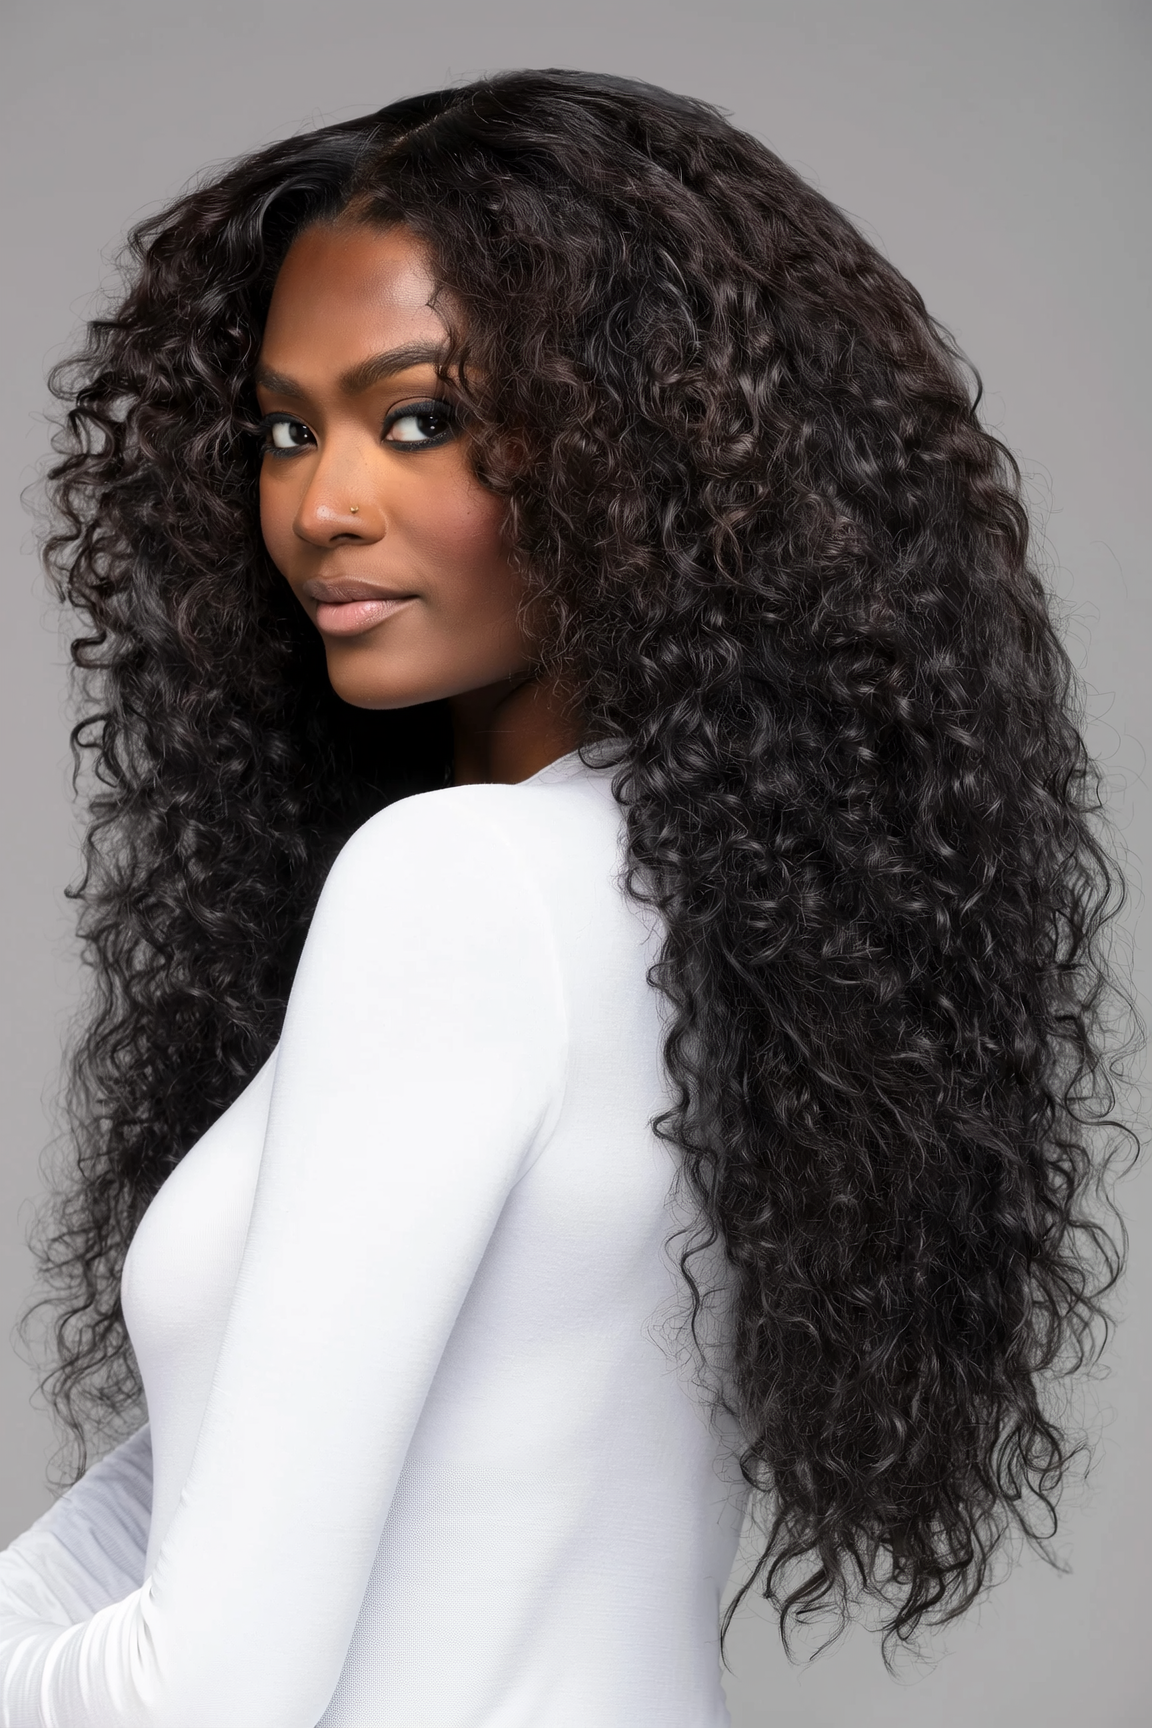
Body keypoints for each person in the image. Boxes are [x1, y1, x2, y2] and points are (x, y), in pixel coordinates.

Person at [0, 68, 1133, 1728]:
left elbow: (204, 1696)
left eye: (417, 422)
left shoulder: (460, 890)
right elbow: (221, 1475)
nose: (322, 507)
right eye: (286, 430)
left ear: (630, 445)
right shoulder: (708, 902)